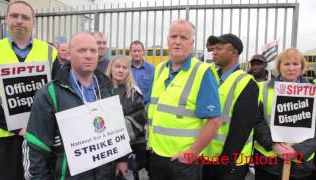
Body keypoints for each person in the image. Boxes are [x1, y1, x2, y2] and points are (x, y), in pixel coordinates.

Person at [23, 32, 127, 179]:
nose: (89, 55)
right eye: (82, 50)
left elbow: (116, 129)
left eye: (93, 51)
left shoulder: (107, 88)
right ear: (69, 55)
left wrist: (122, 158)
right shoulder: (49, 94)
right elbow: (36, 146)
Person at [147, 20, 222, 180]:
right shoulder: (159, 70)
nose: (177, 41)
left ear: (192, 43)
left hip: (184, 163)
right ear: (168, 40)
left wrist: (192, 153)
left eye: (183, 37)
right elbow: (151, 108)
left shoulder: (202, 72)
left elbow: (214, 121)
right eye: (174, 36)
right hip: (156, 156)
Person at [0, 1, 57, 179]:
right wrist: (15, 127)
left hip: (42, 133)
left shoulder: (49, 52)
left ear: (33, 22)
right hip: (7, 135)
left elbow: (58, 92)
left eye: (25, 17)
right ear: (6, 18)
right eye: (14, 16)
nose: (19, 21)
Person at [202, 33, 259, 180]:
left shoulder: (246, 83)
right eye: (213, 48)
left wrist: (226, 162)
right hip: (206, 157)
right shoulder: (211, 77)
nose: (214, 52)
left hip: (229, 164)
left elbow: (241, 129)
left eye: (219, 48)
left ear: (234, 52)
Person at [254, 48, 316, 180]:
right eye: (286, 64)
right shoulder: (262, 89)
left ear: (302, 67)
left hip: (300, 165)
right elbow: (256, 121)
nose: (291, 68)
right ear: (279, 67)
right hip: (268, 162)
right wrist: (274, 144)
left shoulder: (313, 91)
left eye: (295, 64)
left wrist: (298, 150)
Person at [105, 55, 148, 180]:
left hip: (128, 152)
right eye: (117, 66)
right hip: (104, 155)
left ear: (129, 71)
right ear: (111, 68)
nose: (120, 70)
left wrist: (121, 158)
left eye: (124, 68)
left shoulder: (134, 93)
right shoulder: (99, 91)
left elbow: (136, 123)